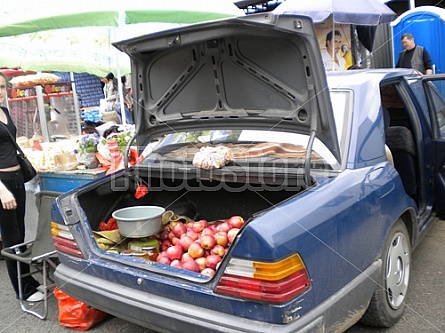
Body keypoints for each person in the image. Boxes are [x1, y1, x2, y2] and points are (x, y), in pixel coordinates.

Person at [0, 72, 44, 302]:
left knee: (20, 234)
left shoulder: (4, 112)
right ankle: (22, 291)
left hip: (16, 179)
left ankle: (28, 280)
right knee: (11, 238)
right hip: (2, 185)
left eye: (1, 87)